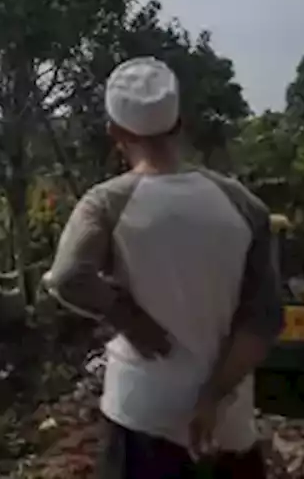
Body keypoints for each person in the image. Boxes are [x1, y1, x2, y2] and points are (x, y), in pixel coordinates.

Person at [43, 57, 284, 479]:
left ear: (116, 133)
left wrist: (127, 316)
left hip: (141, 417)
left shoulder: (106, 203)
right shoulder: (245, 206)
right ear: (179, 123)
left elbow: (67, 277)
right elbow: (265, 319)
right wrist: (210, 398)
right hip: (226, 427)